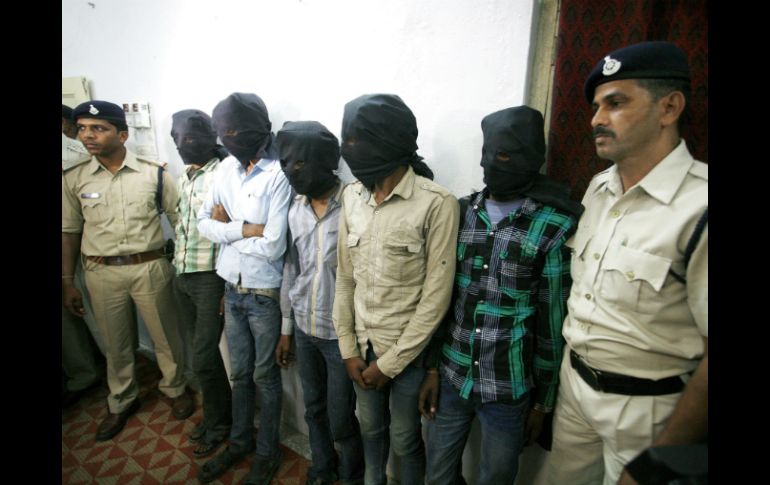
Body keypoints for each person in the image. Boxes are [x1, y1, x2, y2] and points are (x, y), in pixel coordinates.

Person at [545, 41, 708, 485]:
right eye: (596, 107)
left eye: (615, 103)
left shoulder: (699, 207)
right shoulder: (599, 189)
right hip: (575, 390)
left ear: (669, 107)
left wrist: (664, 458)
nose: (596, 119)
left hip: (648, 412)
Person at [418, 106, 583, 485]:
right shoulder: (461, 213)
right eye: (488, 153)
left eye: (506, 155)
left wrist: (543, 402)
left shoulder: (553, 226)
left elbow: (552, 323)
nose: (492, 163)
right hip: (453, 374)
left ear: (531, 158)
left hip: (509, 386)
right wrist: (432, 368)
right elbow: (440, 299)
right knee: (437, 474)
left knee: (496, 477)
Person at [333, 93, 460, 485]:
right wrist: (348, 348)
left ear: (389, 140)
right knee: (370, 429)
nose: (348, 149)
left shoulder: (437, 203)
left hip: (407, 355)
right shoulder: (351, 196)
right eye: (346, 138)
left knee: (405, 439)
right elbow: (345, 278)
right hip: (361, 347)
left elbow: (435, 299)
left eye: (357, 139)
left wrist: (389, 365)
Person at [62, 100, 195, 442]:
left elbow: (180, 222)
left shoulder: (154, 173)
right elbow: (70, 231)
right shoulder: (74, 178)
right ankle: (121, 398)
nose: (88, 135)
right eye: (82, 128)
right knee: (115, 342)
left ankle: (175, 387)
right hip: (101, 272)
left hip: (149, 266)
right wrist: (67, 280)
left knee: (166, 336)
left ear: (122, 135)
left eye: (98, 128)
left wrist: (186, 269)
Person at [196, 92, 292, 485]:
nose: (228, 138)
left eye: (235, 130)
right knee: (239, 374)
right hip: (231, 288)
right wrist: (244, 229)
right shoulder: (224, 170)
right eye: (223, 132)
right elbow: (204, 223)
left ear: (258, 127)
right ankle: (239, 442)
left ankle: (267, 453)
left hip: (263, 293)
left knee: (264, 377)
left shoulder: (280, 173)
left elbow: (274, 246)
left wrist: (227, 230)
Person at [275, 120, 365, 485]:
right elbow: (291, 268)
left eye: (299, 162)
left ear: (324, 160)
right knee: (313, 408)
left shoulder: (355, 204)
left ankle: (352, 475)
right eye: (285, 163)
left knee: (342, 417)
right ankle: (323, 468)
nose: (291, 171)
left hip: (340, 335)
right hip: (304, 326)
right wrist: (286, 328)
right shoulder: (294, 208)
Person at [169, 109, 232, 457]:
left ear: (210, 138)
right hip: (183, 273)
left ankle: (220, 424)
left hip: (210, 278)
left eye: (191, 137)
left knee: (205, 358)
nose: (183, 144)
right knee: (199, 355)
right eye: (176, 138)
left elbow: (231, 231)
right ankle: (215, 416)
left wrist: (224, 285)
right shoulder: (185, 175)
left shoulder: (224, 174)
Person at [61, 103, 104, 408]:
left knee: (91, 314)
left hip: (81, 245)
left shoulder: (76, 156)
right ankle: (83, 373)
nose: (87, 134)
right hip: (73, 240)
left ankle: (97, 371)